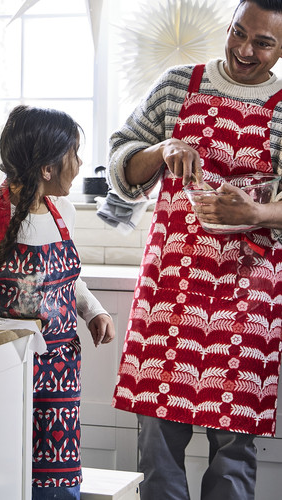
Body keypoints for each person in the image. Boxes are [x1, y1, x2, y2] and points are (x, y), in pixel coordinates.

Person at [108, 1, 282, 499]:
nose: (244, 50)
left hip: (249, 297)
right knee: (156, 448)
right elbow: (120, 161)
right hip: (170, 289)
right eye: (238, 32)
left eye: (263, 42)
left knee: (232, 452)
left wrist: (257, 214)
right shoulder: (177, 84)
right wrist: (161, 151)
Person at [0, 104, 115, 499]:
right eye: (74, 154)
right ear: (47, 168)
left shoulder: (62, 210)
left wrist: (94, 310)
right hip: (7, 361)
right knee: (4, 463)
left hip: (61, 364)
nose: (81, 164)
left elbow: (67, 279)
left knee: (57, 470)